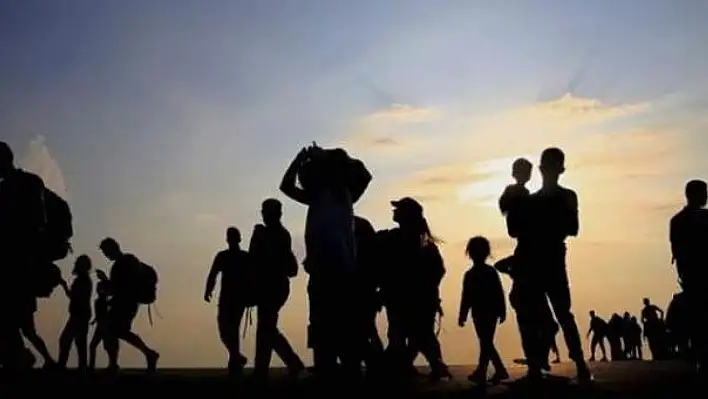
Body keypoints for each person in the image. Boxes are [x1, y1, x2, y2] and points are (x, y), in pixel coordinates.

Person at [280, 144, 371, 378]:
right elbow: (286, 186)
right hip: (328, 268)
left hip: (337, 269)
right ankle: (329, 364)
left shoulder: (342, 192)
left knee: (333, 320)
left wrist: (320, 156)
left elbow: (363, 172)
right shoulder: (327, 195)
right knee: (326, 320)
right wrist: (303, 159)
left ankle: (340, 364)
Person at [525, 147, 592, 382]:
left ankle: (578, 362)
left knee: (559, 313)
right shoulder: (562, 197)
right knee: (556, 314)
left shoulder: (555, 198)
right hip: (544, 257)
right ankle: (573, 363)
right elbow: (571, 228)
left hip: (547, 258)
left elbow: (572, 229)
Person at [378, 197, 451, 380]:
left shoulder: (407, 241)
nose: (394, 212)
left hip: (408, 299)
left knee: (411, 335)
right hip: (410, 299)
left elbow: (435, 272)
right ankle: (426, 366)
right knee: (418, 335)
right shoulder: (407, 240)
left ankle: (421, 366)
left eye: (398, 209)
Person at [0, 141, 47, 370]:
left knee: (21, 322)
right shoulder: (2, 189)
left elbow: (39, 223)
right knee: (10, 320)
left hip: (21, 264)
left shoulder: (29, 183)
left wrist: (30, 258)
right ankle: (20, 358)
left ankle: (26, 360)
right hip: (7, 264)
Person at [249, 199, 305, 380]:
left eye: (268, 212)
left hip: (274, 287)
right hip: (270, 286)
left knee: (266, 328)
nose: (265, 216)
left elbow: (259, 260)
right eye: (264, 212)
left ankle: (270, 368)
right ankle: (276, 366)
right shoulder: (272, 234)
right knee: (267, 329)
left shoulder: (278, 235)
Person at [100, 238, 159, 372]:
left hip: (126, 304)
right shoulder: (126, 262)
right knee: (118, 331)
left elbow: (121, 287)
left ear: (113, 248)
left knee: (114, 330)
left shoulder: (126, 262)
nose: (106, 255)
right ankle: (148, 354)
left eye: (106, 252)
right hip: (125, 303)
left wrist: (106, 283)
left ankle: (147, 354)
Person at [458, 236, 509, 385]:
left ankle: (485, 371)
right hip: (488, 312)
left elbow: (466, 297)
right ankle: (496, 370)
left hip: (482, 313)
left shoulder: (471, 275)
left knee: (485, 342)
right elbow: (499, 293)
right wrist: (502, 310)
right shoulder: (489, 272)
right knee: (486, 342)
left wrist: (463, 315)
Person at [670, 179, 708, 371]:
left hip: (690, 273)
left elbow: (676, 250)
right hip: (698, 273)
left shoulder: (677, 220)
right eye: (704, 192)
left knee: (697, 314)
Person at [204, 227, 251, 375]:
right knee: (225, 330)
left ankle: (234, 362)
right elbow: (213, 274)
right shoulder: (222, 256)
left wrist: (251, 296)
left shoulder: (245, 257)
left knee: (232, 330)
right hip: (226, 299)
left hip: (238, 299)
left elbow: (253, 277)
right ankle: (236, 357)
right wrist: (208, 290)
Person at [57, 255, 93, 371]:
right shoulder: (83, 280)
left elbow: (74, 296)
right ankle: (81, 368)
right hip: (80, 314)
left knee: (67, 340)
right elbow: (73, 296)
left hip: (79, 315)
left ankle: (63, 366)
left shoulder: (82, 280)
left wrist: (64, 286)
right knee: (78, 342)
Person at [88, 279, 110, 370]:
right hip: (101, 326)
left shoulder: (105, 301)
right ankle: (92, 366)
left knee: (107, 347)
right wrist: (94, 321)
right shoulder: (99, 301)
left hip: (104, 327)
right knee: (93, 346)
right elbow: (98, 314)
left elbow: (103, 314)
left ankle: (112, 364)